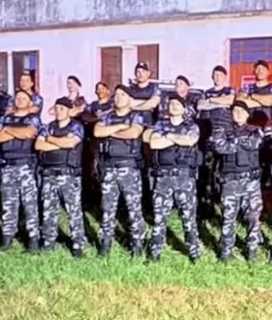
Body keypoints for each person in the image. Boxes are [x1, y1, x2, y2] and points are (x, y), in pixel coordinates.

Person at [145, 95, 202, 262]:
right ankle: (155, 253)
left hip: (185, 178)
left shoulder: (191, 126)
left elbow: (190, 141)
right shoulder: (159, 125)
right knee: (159, 218)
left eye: (178, 104)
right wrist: (176, 138)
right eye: (171, 104)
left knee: (188, 217)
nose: (174, 106)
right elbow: (154, 143)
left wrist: (168, 136)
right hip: (163, 178)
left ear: (184, 108)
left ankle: (194, 253)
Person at [93, 85, 148, 257]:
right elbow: (97, 131)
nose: (118, 98)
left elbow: (133, 133)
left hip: (129, 167)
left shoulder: (136, 116)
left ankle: (137, 244)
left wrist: (110, 132)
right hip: (109, 167)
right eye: (116, 95)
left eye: (122, 95)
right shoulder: (107, 116)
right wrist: (119, 128)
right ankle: (105, 244)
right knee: (107, 208)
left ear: (130, 99)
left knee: (134, 208)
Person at [210, 100, 266, 262]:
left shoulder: (256, 131)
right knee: (228, 217)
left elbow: (254, 144)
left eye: (242, 111)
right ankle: (226, 251)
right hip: (230, 181)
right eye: (235, 111)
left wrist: (233, 141)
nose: (238, 114)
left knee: (253, 217)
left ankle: (252, 251)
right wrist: (240, 141)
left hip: (251, 182)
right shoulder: (222, 130)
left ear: (248, 114)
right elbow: (220, 147)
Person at [0, 90, 43, 252]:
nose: (19, 100)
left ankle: (33, 240)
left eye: (24, 98)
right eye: (17, 98)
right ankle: (7, 239)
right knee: (8, 203)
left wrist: (7, 131)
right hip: (7, 166)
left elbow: (29, 133)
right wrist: (14, 133)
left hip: (26, 165)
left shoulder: (33, 119)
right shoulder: (4, 119)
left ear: (30, 103)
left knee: (30, 204)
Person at [35, 97, 87, 257]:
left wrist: (50, 141)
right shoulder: (48, 127)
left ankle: (78, 244)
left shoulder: (77, 126)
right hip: (49, 174)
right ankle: (48, 242)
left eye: (62, 109)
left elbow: (71, 143)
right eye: (56, 108)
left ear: (70, 111)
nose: (58, 111)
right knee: (49, 211)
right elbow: (38, 145)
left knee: (74, 211)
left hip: (68, 175)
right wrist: (59, 142)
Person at [197, 66, 237, 199]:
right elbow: (201, 105)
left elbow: (230, 101)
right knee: (208, 170)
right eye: (215, 75)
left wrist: (212, 101)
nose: (217, 77)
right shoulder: (206, 92)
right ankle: (208, 199)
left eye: (220, 75)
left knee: (224, 168)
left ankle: (223, 197)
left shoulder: (229, 90)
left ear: (225, 77)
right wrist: (221, 102)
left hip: (225, 135)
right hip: (208, 135)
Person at [236, 60, 272, 126]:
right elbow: (239, 101)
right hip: (250, 125)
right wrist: (265, 102)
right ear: (254, 72)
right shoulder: (248, 87)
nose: (260, 71)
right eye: (258, 68)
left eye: (263, 68)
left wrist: (253, 96)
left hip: (269, 126)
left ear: (268, 72)